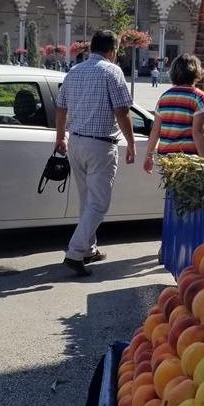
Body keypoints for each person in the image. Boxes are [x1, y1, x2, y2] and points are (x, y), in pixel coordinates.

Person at [55, 29, 135, 277]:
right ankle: (75, 251)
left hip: (76, 142)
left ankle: (88, 248)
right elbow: (122, 112)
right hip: (100, 146)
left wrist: (60, 137)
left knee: (87, 200)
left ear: (92, 48)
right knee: (99, 203)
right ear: (113, 50)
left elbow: (60, 107)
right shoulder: (112, 71)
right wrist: (132, 143)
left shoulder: (75, 71)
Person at [143, 54, 204, 173]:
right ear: (196, 72)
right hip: (188, 158)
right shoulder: (199, 97)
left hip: (166, 157)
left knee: (172, 189)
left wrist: (149, 156)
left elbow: (156, 130)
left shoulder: (164, 97)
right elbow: (198, 132)